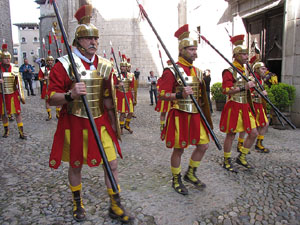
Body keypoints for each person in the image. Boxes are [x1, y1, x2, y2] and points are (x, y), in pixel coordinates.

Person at [47, 4, 133, 223]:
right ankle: (77, 201)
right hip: (74, 121)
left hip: (100, 120)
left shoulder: (105, 65)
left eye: (95, 38)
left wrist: (115, 124)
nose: (93, 42)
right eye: (88, 39)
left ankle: (115, 204)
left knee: (111, 163)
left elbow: (107, 98)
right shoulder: (64, 65)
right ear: (78, 42)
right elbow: (50, 98)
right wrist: (70, 94)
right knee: (75, 165)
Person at [158, 24, 212, 195]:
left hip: (196, 114)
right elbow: (161, 94)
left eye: (195, 49)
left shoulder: (198, 71)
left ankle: (190, 173)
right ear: (181, 50)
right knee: (179, 149)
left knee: (203, 145)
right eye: (191, 49)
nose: (194, 53)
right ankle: (176, 178)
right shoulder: (171, 71)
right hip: (179, 114)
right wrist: (179, 95)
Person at [220, 34, 258, 173]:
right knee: (231, 135)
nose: (246, 57)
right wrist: (244, 87)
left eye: (246, 54)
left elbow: (249, 88)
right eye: (243, 54)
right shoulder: (229, 71)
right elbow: (226, 90)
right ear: (236, 55)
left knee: (253, 132)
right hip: (234, 105)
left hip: (245, 105)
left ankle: (241, 157)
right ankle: (226, 160)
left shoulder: (244, 70)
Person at [237, 56, 270, 153]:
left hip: (259, 105)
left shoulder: (261, 80)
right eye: (262, 68)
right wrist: (259, 94)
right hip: (252, 105)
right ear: (256, 69)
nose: (265, 70)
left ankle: (259, 143)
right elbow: (247, 94)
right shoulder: (252, 79)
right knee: (245, 125)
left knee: (265, 124)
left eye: (265, 68)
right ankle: (240, 143)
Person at [0, 44, 27, 139]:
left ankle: (21, 132)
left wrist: (21, 96)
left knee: (17, 113)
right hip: (2, 94)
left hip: (13, 94)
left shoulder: (14, 68)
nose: (7, 60)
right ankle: (6, 131)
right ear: (1, 59)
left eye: (8, 58)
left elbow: (19, 83)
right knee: (3, 114)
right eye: (5, 58)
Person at [115, 54, 135, 134]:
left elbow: (132, 88)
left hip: (128, 95)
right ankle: (121, 128)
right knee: (122, 113)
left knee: (130, 112)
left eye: (124, 67)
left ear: (127, 67)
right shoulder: (117, 75)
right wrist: (118, 85)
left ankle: (127, 125)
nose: (123, 68)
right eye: (121, 67)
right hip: (120, 95)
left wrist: (133, 98)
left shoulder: (131, 75)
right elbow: (112, 86)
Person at [38, 51, 61, 120]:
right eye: (49, 61)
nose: (50, 62)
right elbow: (39, 78)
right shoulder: (43, 69)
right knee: (47, 101)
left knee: (58, 100)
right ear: (47, 62)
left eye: (51, 61)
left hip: (55, 86)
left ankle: (58, 114)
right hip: (46, 86)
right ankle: (49, 115)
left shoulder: (56, 68)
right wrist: (43, 78)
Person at [155, 60, 172, 132]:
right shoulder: (160, 79)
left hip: (172, 96)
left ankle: (170, 125)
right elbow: (158, 87)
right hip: (164, 97)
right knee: (163, 112)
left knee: (172, 113)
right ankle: (162, 125)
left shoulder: (173, 77)